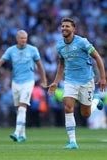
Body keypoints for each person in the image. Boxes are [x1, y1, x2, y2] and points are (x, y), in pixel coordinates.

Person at [48, 18, 106, 149]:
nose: (64, 28)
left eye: (67, 26)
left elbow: (97, 57)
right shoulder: (59, 46)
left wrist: (103, 77)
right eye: (62, 26)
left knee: (85, 113)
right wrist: (56, 82)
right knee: (68, 107)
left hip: (86, 80)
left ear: (73, 29)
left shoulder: (83, 42)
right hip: (70, 81)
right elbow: (61, 65)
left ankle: (95, 101)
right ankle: (73, 142)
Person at [0, 30, 47, 142]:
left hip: (28, 81)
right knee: (19, 109)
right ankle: (23, 135)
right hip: (16, 82)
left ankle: (17, 133)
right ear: (17, 39)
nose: (23, 40)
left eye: (25, 38)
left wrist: (43, 80)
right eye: (21, 38)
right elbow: (1, 61)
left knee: (23, 106)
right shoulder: (11, 50)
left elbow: (40, 65)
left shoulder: (33, 50)